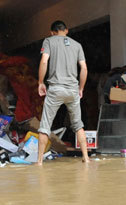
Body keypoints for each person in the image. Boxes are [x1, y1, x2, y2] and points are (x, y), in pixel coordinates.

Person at [36, 20, 90, 165]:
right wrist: (81, 88)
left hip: (56, 89)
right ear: (66, 30)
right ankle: (86, 157)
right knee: (78, 125)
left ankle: (39, 161)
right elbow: (84, 68)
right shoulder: (77, 45)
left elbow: (44, 61)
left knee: (45, 126)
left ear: (52, 32)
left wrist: (41, 82)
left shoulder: (49, 41)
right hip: (72, 90)